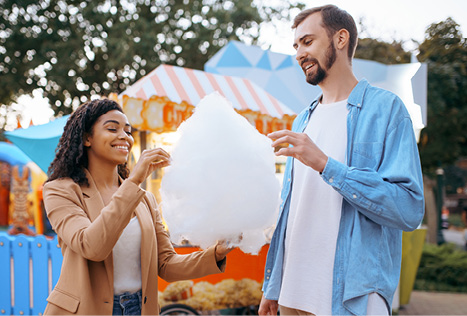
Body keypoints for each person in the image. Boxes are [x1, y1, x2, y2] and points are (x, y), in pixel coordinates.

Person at [259, 5, 424, 316]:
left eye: (307, 42)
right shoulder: (301, 121)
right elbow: (290, 209)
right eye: (296, 46)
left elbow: (408, 208)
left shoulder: (386, 110)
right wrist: (274, 284)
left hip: (352, 298)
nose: (299, 54)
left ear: (340, 39)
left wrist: (326, 164)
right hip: (292, 295)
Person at [43, 99, 232, 315]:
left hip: (139, 308)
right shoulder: (60, 190)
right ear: (87, 138)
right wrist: (134, 180)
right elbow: (92, 247)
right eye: (112, 128)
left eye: (128, 131)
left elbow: (166, 264)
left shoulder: (144, 200)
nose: (124, 136)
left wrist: (216, 253)